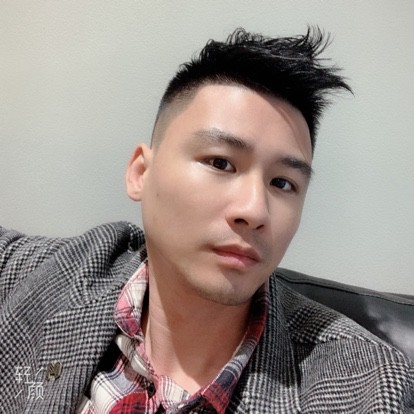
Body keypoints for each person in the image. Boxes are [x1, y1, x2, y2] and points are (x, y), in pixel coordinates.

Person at [1, 28, 413, 414]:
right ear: (141, 173)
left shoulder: (368, 387)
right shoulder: (35, 273)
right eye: (220, 163)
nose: (254, 210)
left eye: (282, 183)